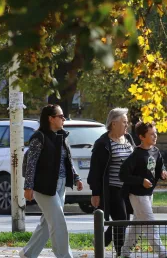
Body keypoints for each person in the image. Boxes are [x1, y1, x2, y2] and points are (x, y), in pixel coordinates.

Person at [20, 104, 84, 258]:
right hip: (44, 186)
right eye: (60, 116)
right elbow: (31, 163)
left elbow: (67, 160)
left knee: (47, 224)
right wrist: (28, 187)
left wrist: (76, 178)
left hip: (60, 184)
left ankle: (28, 254)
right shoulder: (39, 137)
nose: (64, 119)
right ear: (50, 118)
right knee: (58, 222)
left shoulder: (62, 136)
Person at [87, 108, 135, 256]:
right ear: (114, 124)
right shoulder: (103, 143)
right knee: (121, 219)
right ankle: (119, 251)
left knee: (124, 220)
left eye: (127, 122)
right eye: (124, 122)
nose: (127, 125)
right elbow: (95, 171)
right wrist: (95, 193)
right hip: (112, 189)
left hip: (128, 189)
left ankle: (103, 240)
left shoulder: (128, 139)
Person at [119, 122, 167, 258]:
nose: (155, 136)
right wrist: (141, 181)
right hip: (137, 195)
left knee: (137, 225)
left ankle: (124, 252)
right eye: (152, 134)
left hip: (149, 194)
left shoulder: (155, 151)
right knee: (150, 223)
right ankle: (163, 254)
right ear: (142, 137)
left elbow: (160, 167)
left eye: (156, 133)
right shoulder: (136, 154)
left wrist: (163, 173)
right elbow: (123, 174)